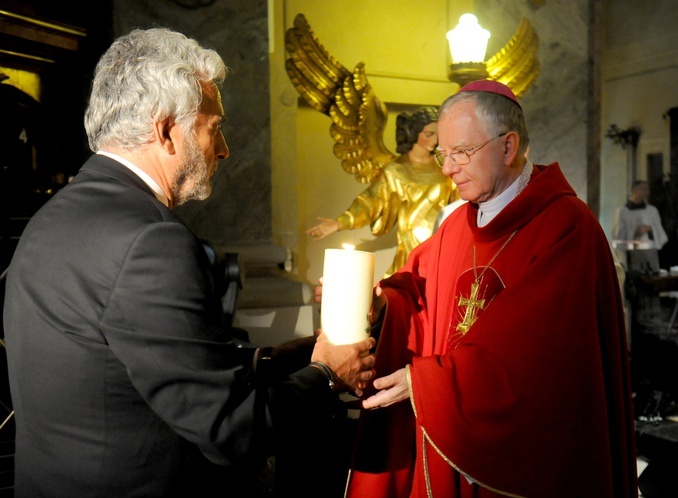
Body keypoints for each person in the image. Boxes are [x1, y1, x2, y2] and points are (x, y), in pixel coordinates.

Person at [2, 28, 375, 498]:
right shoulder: (149, 241)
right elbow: (230, 430)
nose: (224, 150)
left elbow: (157, 360)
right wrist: (327, 376)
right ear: (165, 130)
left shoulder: (55, 215)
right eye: (214, 127)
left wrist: (303, 353)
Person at [341, 80, 637, 497]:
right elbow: (418, 295)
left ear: (508, 146)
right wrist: (379, 306)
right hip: (446, 441)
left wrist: (428, 385)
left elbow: (542, 362)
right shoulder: (455, 228)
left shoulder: (568, 228)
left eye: (460, 152)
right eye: (444, 153)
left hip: (526, 462)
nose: (446, 168)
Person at [306, 106, 459, 277]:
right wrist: (340, 222)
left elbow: (460, 204)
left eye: (438, 133)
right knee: (406, 290)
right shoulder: (396, 170)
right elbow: (370, 200)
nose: (435, 139)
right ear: (414, 133)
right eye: (429, 134)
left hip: (441, 244)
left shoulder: (444, 167)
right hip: (411, 244)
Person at [612, 180, 668, 250]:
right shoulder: (621, 212)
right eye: (644, 189)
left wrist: (650, 228)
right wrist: (634, 232)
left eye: (648, 190)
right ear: (635, 190)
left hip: (650, 250)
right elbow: (617, 236)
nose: (647, 193)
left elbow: (660, 232)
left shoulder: (652, 210)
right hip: (630, 252)